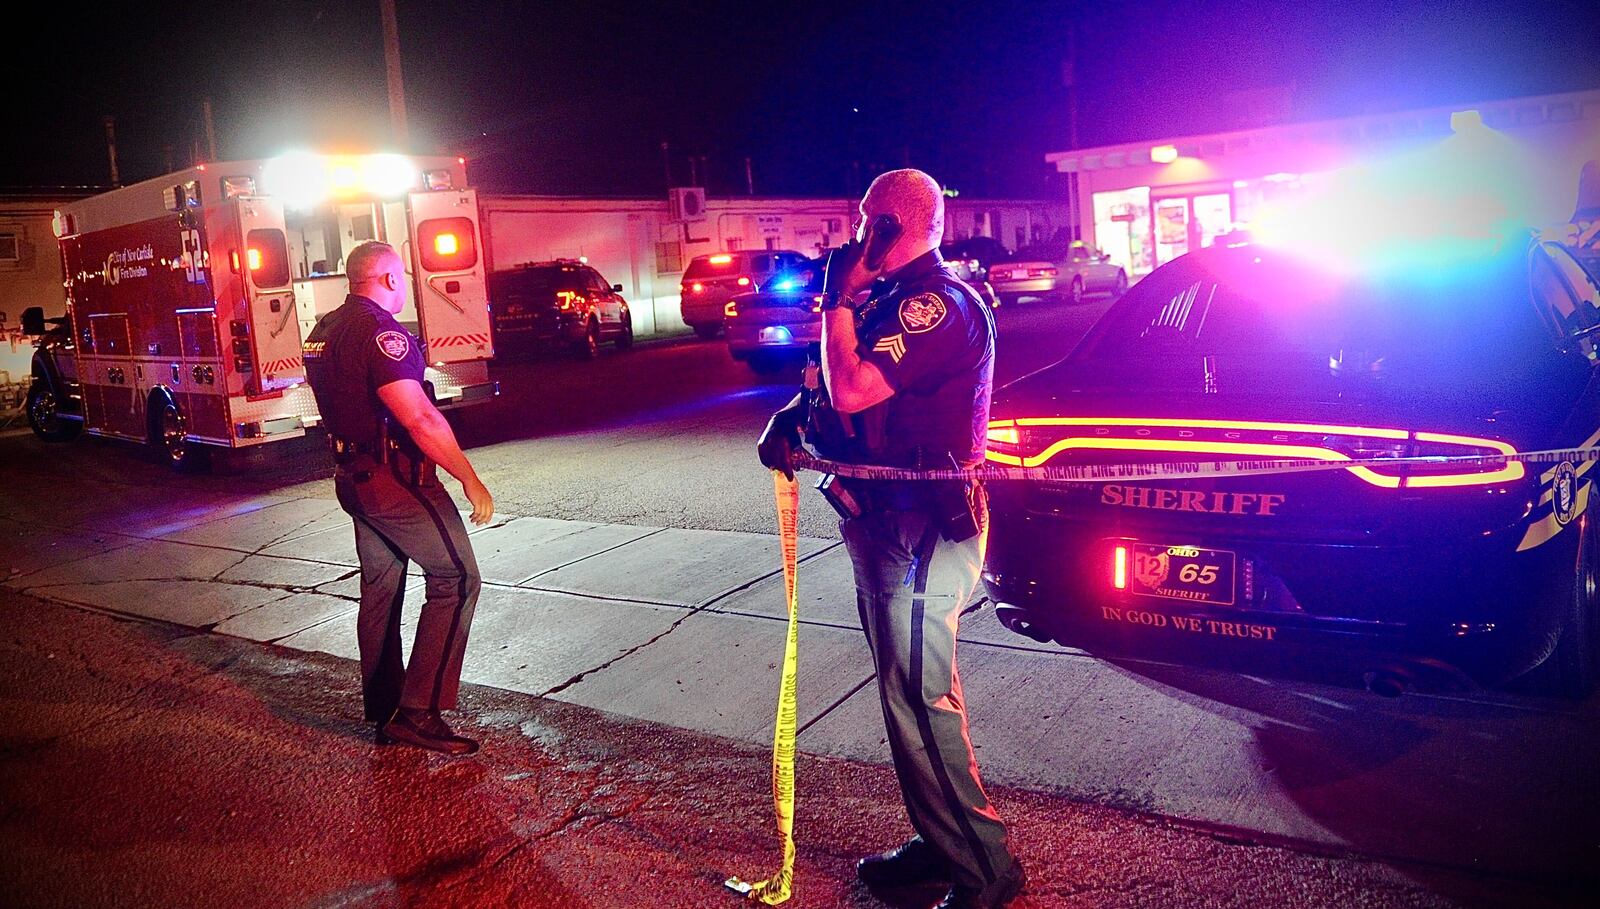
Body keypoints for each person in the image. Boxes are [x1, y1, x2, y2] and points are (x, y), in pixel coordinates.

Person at [757, 170, 1023, 908]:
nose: (852, 235)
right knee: (902, 694)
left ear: (890, 228)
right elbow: (830, 389)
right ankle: (942, 839)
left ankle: (984, 865)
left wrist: (836, 299)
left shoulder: (938, 303)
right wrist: (794, 416)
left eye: (865, 222)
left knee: (919, 691)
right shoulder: (889, 300)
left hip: (926, 526)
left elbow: (858, 387)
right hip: (880, 522)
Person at [303, 240, 494, 756]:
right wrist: (468, 478)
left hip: (353, 476)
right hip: (394, 478)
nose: (406, 283)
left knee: (382, 589)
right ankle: (417, 712)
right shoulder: (383, 333)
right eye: (403, 275)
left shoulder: (325, 328)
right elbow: (419, 417)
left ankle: (386, 710)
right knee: (457, 577)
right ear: (387, 279)